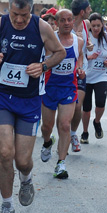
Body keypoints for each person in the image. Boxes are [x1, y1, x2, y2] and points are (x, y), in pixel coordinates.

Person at [0, 0, 65, 213]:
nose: (19, 20)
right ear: (9, 9)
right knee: (5, 153)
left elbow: (60, 52)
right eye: (15, 14)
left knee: (22, 160)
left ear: (32, 11)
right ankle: (6, 206)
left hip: (29, 100)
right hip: (1, 97)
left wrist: (44, 66)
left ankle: (26, 178)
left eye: (24, 15)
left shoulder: (41, 27)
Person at [39, 9, 85, 179]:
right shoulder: (50, 40)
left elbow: (79, 57)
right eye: (62, 20)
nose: (66, 23)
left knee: (65, 125)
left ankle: (61, 163)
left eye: (69, 20)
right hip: (50, 87)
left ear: (73, 21)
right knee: (47, 126)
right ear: (56, 23)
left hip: (68, 87)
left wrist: (80, 68)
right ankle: (47, 142)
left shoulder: (78, 41)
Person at [81, 13, 107, 143]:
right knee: (86, 107)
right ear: (90, 26)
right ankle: (85, 132)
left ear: (102, 25)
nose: (96, 28)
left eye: (98, 25)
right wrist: (88, 57)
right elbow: (79, 54)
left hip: (102, 75)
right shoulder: (86, 37)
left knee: (100, 103)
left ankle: (97, 122)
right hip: (87, 76)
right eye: (93, 26)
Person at [70, 0, 93, 145]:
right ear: (83, 11)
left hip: (81, 70)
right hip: (66, 71)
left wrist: (89, 44)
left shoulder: (87, 24)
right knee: (68, 107)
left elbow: (88, 40)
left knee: (78, 105)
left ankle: (73, 134)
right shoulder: (67, 25)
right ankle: (63, 133)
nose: (91, 11)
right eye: (89, 9)